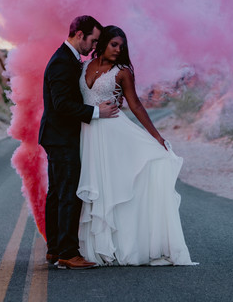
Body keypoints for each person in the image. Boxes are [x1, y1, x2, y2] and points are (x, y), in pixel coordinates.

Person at [77, 25, 193, 266]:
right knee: (96, 185)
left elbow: (136, 105)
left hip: (113, 132)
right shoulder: (84, 65)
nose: (119, 50)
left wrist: (157, 138)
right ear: (103, 43)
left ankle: (119, 246)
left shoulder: (123, 72)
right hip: (88, 132)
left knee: (113, 186)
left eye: (122, 46)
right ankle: (95, 247)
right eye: (114, 44)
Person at [39, 15, 121, 270]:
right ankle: (67, 253)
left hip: (58, 136)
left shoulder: (69, 59)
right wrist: (97, 112)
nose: (94, 46)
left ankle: (54, 249)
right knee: (67, 195)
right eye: (93, 40)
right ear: (79, 35)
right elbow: (61, 105)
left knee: (56, 194)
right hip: (62, 137)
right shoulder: (62, 62)